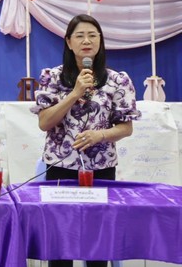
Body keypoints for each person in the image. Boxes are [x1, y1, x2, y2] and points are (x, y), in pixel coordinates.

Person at [32, 14, 141, 267]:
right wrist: (74, 93)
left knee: (97, 242)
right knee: (60, 243)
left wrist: (99, 135)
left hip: (101, 169)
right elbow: (44, 123)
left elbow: (126, 128)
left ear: (100, 41)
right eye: (80, 36)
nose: (86, 41)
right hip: (60, 167)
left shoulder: (118, 80)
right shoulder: (52, 77)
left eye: (92, 35)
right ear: (69, 42)